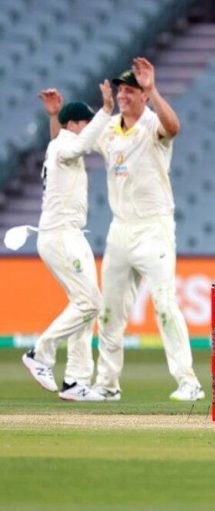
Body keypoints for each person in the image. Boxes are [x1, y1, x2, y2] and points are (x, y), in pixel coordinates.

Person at [66, 58, 203, 401]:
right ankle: (107, 385)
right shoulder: (109, 128)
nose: (123, 95)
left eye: (131, 90)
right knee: (109, 312)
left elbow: (175, 128)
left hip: (154, 228)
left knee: (165, 305)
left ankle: (188, 381)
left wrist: (153, 89)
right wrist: (58, 118)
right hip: (120, 231)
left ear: (143, 96)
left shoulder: (153, 124)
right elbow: (74, 146)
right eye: (121, 90)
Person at [21, 83, 114, 401]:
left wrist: (54, 117)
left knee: (89, 306)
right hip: (60, 235)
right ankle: (39, 354)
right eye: (86, 123)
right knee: (89, 304)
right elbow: (77, 145)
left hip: (71, 234)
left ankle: (75, 382)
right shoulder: (65, 146)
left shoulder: (58, 145)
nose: (90, 130)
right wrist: (105, 110)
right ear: (75, 125)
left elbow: (63, 141)